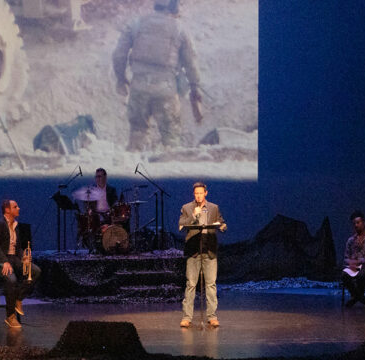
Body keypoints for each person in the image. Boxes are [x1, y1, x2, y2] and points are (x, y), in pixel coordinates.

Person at [112, 0, 202, 151]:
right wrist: (195, 87)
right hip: (166, 91)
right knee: (171, 138)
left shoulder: (136, 24)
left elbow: (118, 55)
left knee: (137, 134)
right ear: (173, 6)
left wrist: (121, 79)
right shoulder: (179, 29)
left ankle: (134, 168)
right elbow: (191, 63)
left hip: (139, 89)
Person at [0, 200, 41, 328]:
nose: (19, 208)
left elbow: (18, 247)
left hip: (13, 258)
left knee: (35, 271)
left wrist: (24, 257)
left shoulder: (16, 225)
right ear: (7, 210)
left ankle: (18, 299)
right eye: (15, 207)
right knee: (11, 280)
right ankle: (10, 316)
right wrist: (3, 262)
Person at [178, 182, 226, 328]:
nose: (198, 196)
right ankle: (187, 317)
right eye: (196, 193)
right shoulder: (187, 208)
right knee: (191, 284)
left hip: (209, 249)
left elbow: (221, 221)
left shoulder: (214, 208)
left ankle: (212, 316)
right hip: (194, 250)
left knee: (211, 284)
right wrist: (194, 216)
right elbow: (181, 224)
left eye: (201, 193)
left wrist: (222, 226)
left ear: (206, 193)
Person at [342, 210, 365, 308]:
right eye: (354, 223)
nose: (356, 225)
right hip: (354, 266)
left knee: (361, 275)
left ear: (364, 223)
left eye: (358, 223)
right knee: (344, 275)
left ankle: (356, 298)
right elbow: (346, 257)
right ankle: (360, 298)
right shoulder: (351, 240)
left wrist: (361, 261)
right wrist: (351, 262)